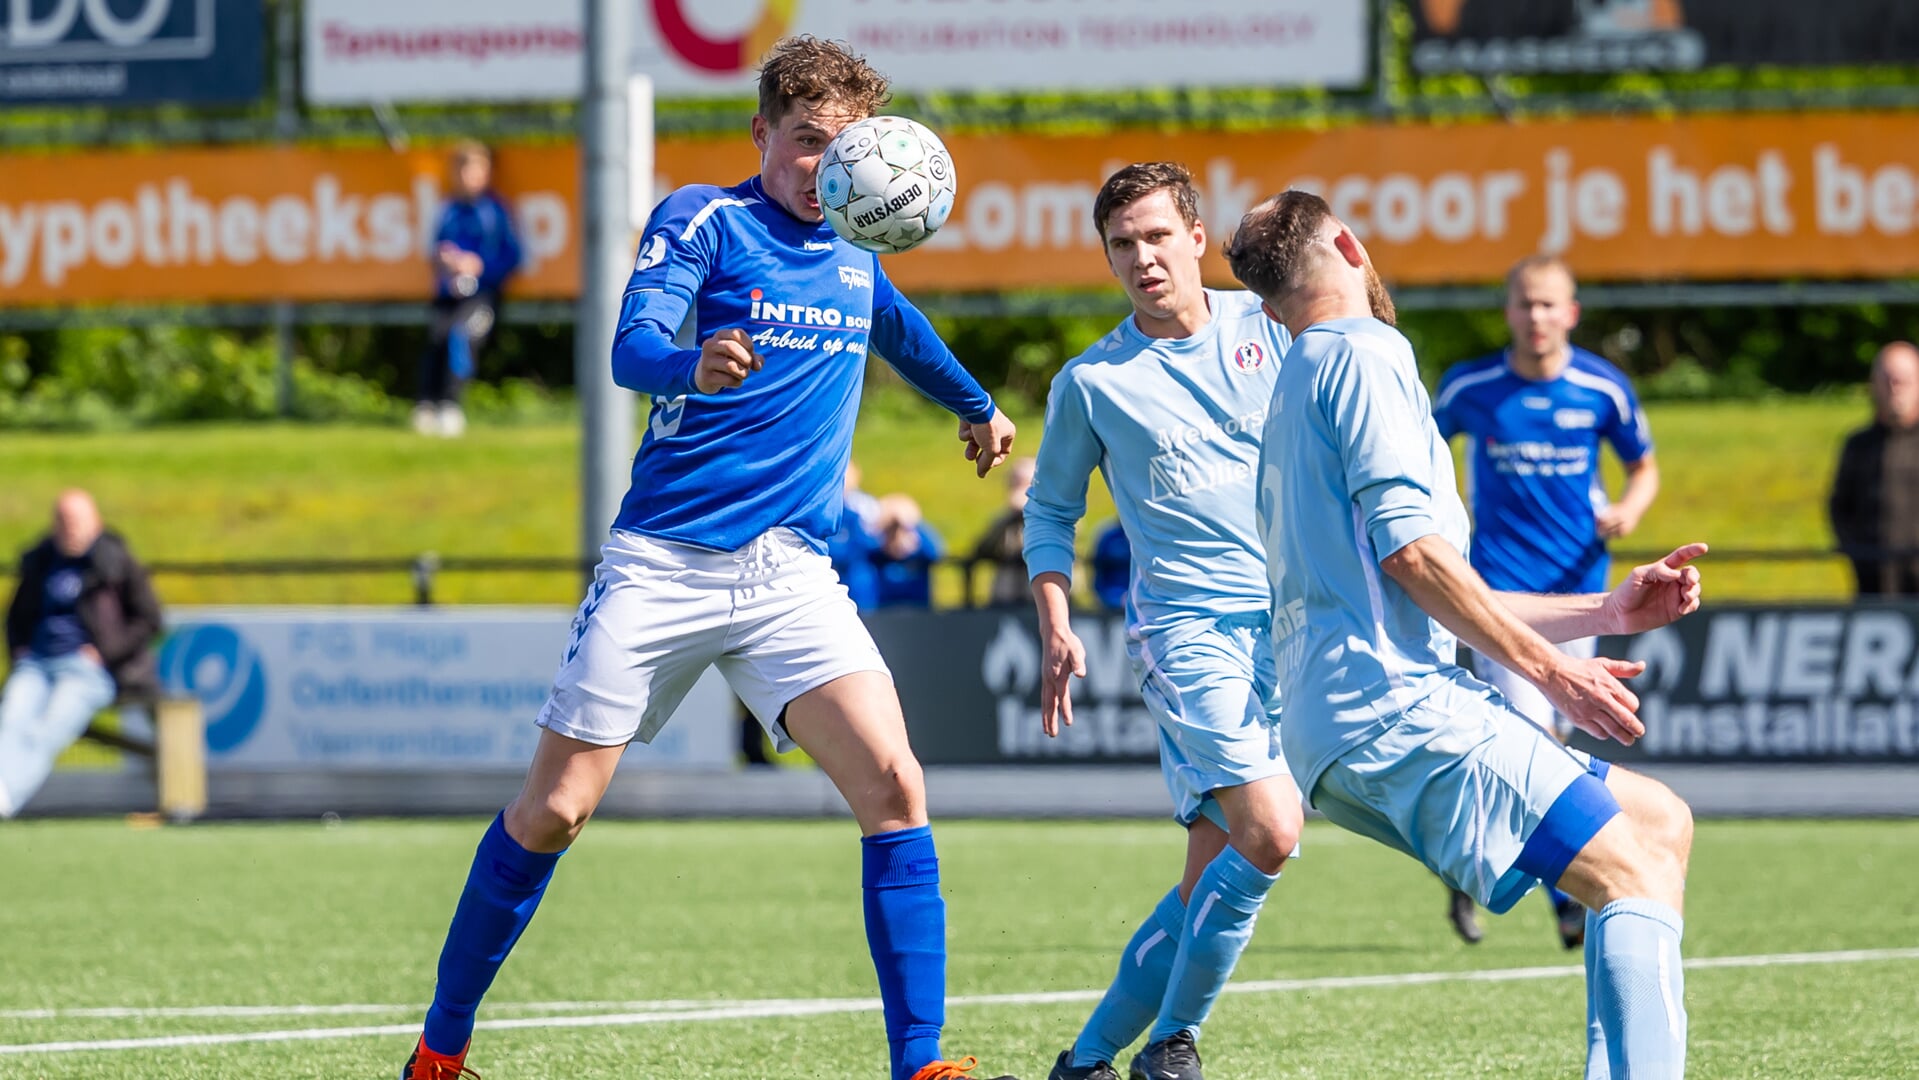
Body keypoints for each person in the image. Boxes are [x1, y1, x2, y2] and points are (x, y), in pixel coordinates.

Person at [398, 36, 1019, 1080]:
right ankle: (441, 1047)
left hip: (790, 576)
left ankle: (921, 1064)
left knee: (894, 787)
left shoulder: (858, 247)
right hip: (665, 564)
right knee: (554, 812)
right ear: (762, 132)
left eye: (846, 149)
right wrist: (695, 361)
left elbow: (899, 330)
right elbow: (628, 347)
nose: (828, 168)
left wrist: (979, 406)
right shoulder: (705, 218)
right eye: (809, 142)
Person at [1228, 189, 1703, 1079]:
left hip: (1342, 721)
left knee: (1657, 823)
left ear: (1265, 302)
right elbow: (1413, 556)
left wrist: (1602, 615)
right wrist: (1554, 676)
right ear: (1349, 244)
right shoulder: (1368, 355)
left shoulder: (1296, 375)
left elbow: (1430, 581)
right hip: (1391, 709)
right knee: (1630, 867)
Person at [1024, 162, 1300, 1080]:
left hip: (1294, 628)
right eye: (1120, 245)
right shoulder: (1092, 382)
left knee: (1208, 878)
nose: (1140, 258)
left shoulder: (1275, 328)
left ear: (1194, 237)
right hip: (1188, 638)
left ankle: (1088, 1061)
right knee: (1270, 831)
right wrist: (1056, 622)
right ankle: (1172, 1046)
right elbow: (1050, 513)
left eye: (1153, 236)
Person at [1430, 254, 1659, 948]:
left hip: (1581, 592)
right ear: (1508, 312)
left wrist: (1628, 508)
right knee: (1531, 737)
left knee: (1546, 742)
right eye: (1524, 304)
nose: (1535, 317)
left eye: (1548, 305)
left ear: (1571, 313)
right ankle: (1566, 891)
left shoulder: (1601, 387)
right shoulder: (1469, 387)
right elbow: (1418, 454)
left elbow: (1643, 463)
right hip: (1497, 591)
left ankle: (1466, 863)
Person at [1, 490, 163, 818]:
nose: (69, 529)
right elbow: (15, 616)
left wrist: (104, 652)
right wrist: (19, 648)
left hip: (88, 669)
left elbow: (149, 619)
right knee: (11, 718)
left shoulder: (115, 560)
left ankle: (6, 798)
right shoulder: (41, 563)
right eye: (62, 522)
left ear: (96, 523)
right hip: (35, 664)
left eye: (76, 522)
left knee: (47, 726)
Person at [418, 140, 524, 438]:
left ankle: (451, 405)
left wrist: (479, 266)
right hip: (448, 294)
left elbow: (512, 256)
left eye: (476, 170)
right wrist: (445, 260)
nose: (469, 177)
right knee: (435, 338)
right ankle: (427, 405)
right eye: (463, 170)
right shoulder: (448, 210)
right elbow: (435, 248)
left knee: (461, 336)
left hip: (483, 296)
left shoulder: (495, 211)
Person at [1830, 341, 1919, 597]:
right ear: (1874, 383)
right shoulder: (1859, 445)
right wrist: (1859, 555)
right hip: (1873, 588)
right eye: (1888, 379)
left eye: (1903, 380)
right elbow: (1840, 508)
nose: (1895, 388)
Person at [969, 457, 1037, 606]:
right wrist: (1008, 519)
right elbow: (981, 550)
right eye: (1015, 484)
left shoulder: (1058, 517)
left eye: (1026, 484)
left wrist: (1029, 513)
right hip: (1005, 598)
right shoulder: (1002, 520)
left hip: (1042, 600)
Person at [872, 494, 944, 609]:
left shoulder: (920, 555)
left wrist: (911, 524)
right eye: (892, 530)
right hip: (881, 612)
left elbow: (936, 552)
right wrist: (882, 529)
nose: (897, 535)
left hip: (918, 611)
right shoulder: (875, 556)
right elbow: (858, 550)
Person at [1089, 520, 1132, 613]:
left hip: (1139, 596)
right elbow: (1097, 567)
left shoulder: (1146, 536)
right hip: (1111, 595)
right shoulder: (1109, 536)